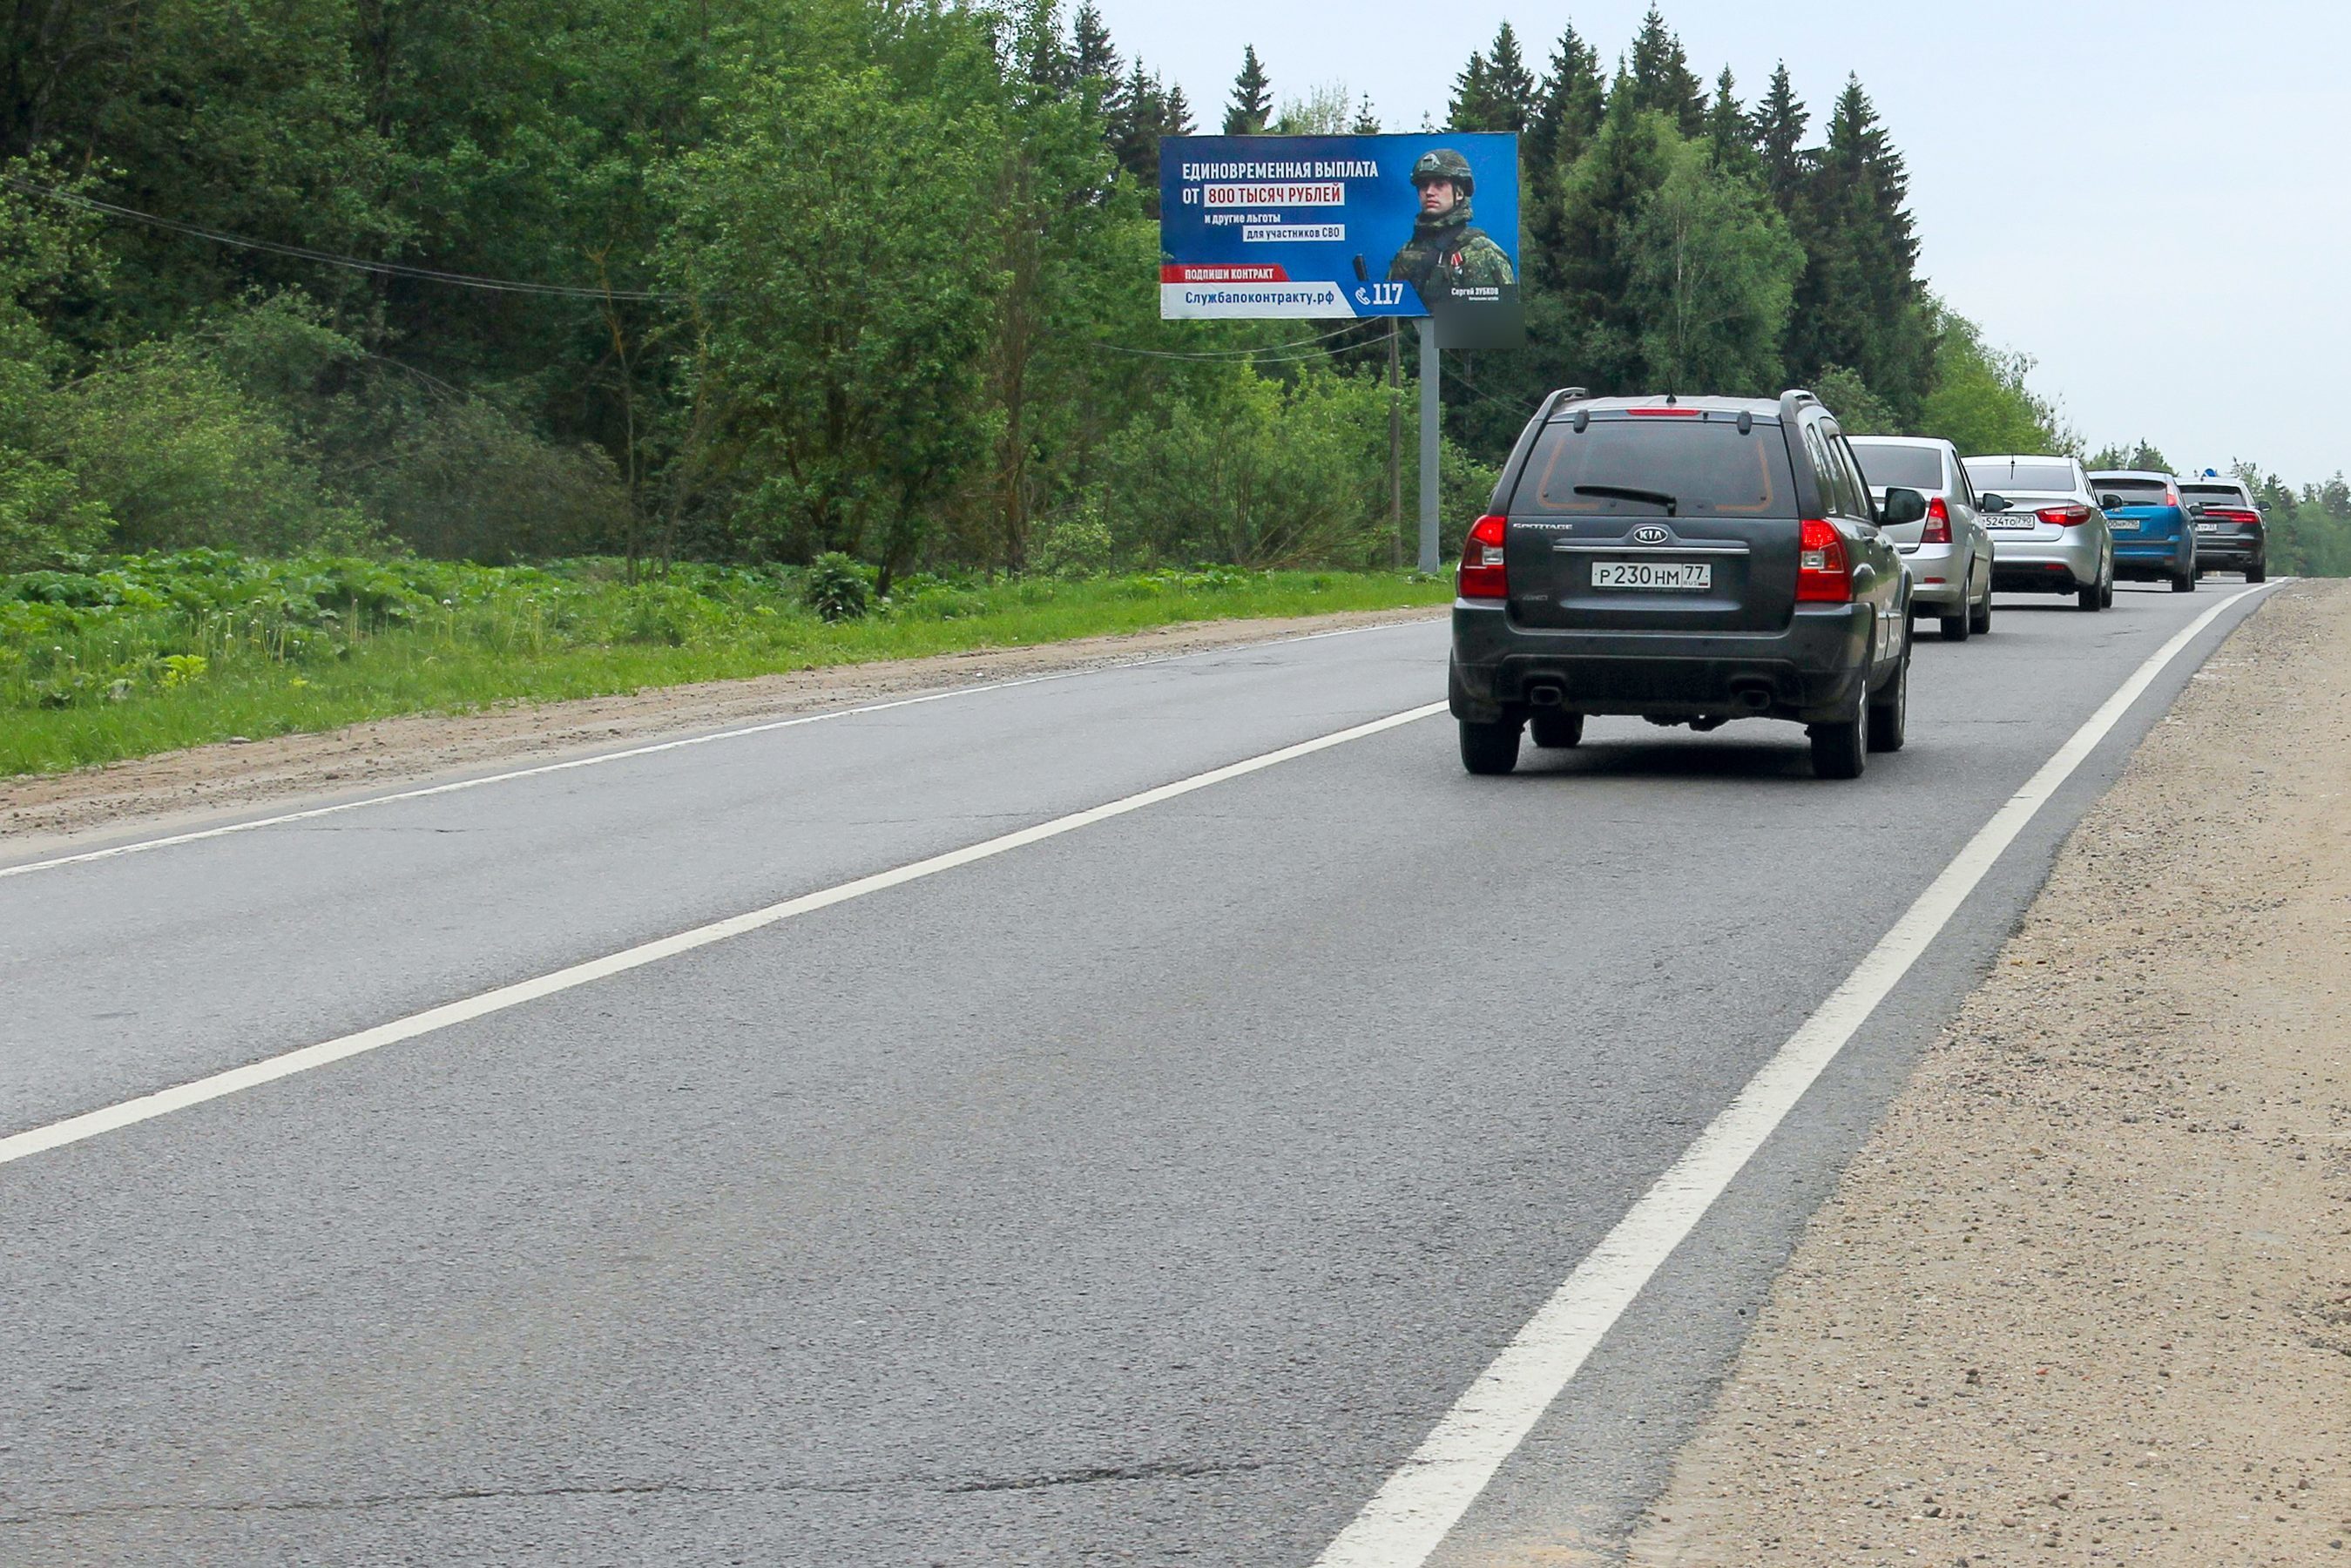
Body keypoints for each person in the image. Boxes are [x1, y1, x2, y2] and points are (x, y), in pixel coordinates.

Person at [1385, 148, 1515, 300]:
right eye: (1424, 186)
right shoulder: (1407, 252)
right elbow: (1388, 318)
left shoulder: (1481, 253)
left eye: (1439, 185)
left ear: (1459, 193)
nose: (1429, 192)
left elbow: (1498, 321)